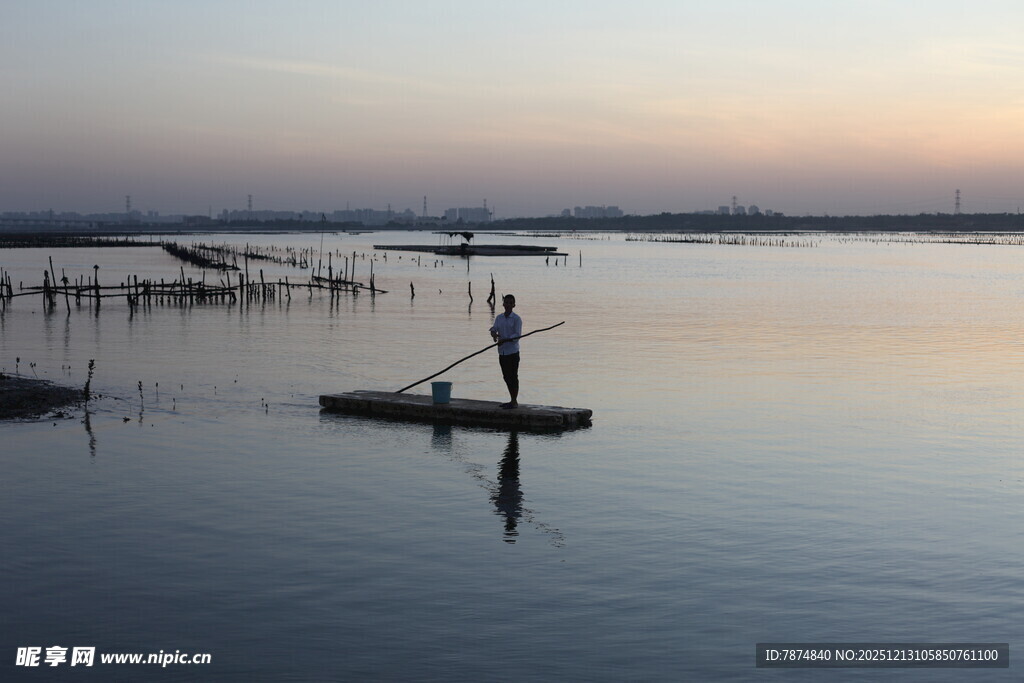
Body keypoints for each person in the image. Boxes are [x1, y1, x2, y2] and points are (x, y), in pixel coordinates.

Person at [489, 294, 522, 408]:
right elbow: (494, 328)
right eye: (506, 303)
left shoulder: (517, 319)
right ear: (503, 304)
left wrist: (505, 340)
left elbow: (517, 335)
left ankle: (514, 401)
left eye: (510, 303)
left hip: (512, 352)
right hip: (502, 351)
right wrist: (493, 334)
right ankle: (512, 400)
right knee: (506, 376)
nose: (507, 305)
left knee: (513, 376)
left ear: (513, 305)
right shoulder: (499, 318)